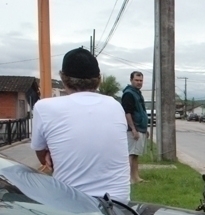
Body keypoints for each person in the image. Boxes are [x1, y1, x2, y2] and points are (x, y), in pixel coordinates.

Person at [31, 47, 130, 202]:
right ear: (99, 79)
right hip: (117, 205)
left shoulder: (44, 107)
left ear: (63, 78)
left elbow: (42, 156)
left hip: (71, 205)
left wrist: (53, 154)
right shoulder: (114, 105)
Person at [121, 71, 149, 184]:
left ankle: (136, 177)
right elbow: (127, 113)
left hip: (140, 128)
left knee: (136, 154)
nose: (139, 82)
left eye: (140, 80)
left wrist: (144, 129)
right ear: (131, 80)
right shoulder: (129, 94)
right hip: (133, 129)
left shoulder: (137, 93)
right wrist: (133, 129)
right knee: (131, 154)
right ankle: (129, 179)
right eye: (136, 80)